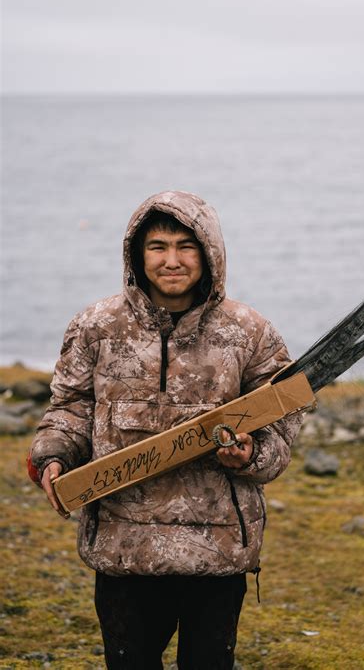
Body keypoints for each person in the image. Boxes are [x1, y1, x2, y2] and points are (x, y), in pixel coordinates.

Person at [28, 190, 303, 670]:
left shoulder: (250, 332)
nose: (171, 260)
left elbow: (283, 420)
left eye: (186, 246)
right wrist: (55, 456)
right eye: (158, 246)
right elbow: (70, 409)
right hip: (123, 547)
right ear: (137, 253)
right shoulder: (95, 327)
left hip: (216, 550)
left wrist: (251, 453)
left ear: (209, 253)